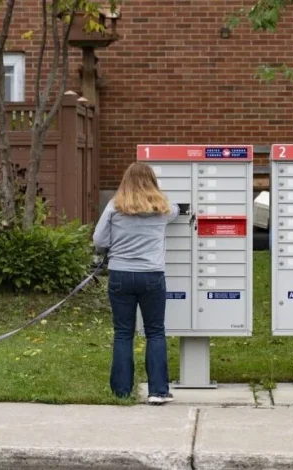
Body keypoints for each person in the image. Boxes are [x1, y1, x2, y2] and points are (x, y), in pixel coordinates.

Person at [93, 162, 180, 405]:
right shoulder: (163, 209)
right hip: (152, 275)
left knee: (123, 333)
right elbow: (177, 209)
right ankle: (158, 391)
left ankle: (121, 392)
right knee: (155, 332)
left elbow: (99, 239)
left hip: (120, 275)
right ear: (153, 182)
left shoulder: (114, 206)